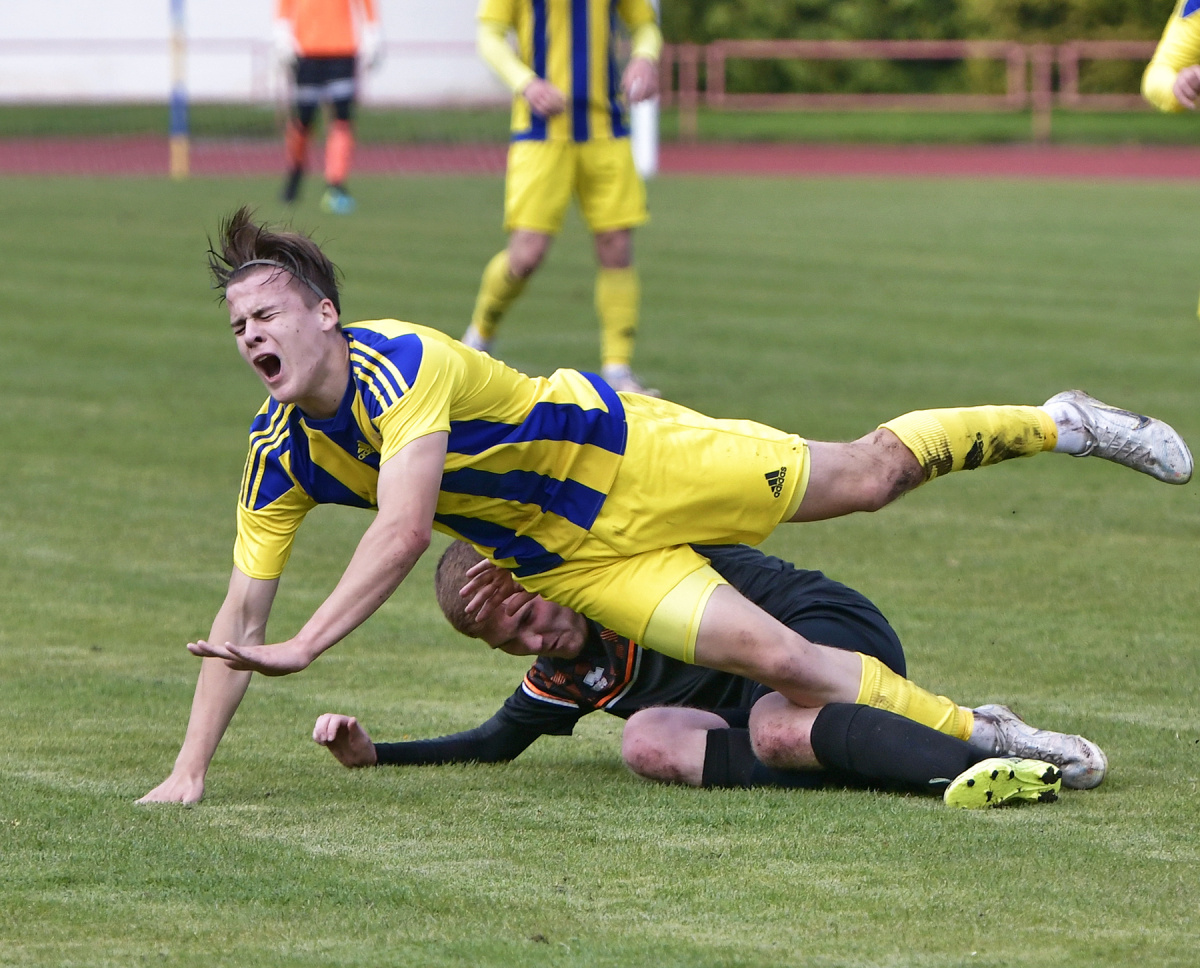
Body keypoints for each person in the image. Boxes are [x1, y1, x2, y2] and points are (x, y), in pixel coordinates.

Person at [138, 209, 1190, 805]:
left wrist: (307, 645)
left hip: (633, 458)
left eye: (266, 312)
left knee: (867, 478)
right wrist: (189, 772)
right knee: (781, 659)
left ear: (326, 313)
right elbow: (237, 618)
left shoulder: (401, 360)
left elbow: (406, 527)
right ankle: (993, 733)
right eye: (237, 327)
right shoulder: (278, 456)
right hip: (576, 564)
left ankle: (1062, 421)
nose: (251, 335)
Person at [311, 541, 1097, 808]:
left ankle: (992, 754)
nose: (534, 637)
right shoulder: (567, 673)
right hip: (781, 703)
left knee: (775, 725)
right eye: (510, 641)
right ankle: (878, 751)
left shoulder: (620, 563)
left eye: (528, 612)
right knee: (646, 742)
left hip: (826, 633)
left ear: (542, 574)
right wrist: (376, 755)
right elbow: (493, 743)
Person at [461, 0, 662, 395]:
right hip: (540, 134)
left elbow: (644, 24)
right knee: (526, 255)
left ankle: (618, 370)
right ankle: (478, 337)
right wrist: (526, 82)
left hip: (606, 130)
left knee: (616, 246)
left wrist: (645, 57)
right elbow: (490, 35)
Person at [275, 0, 382, 214]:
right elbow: (284, 8)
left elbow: (367, 4)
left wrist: (373, 35)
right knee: (304, 120)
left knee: (342, 119)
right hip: (306, 51)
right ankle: (295, 174)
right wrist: (282, 37)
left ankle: (336, 184)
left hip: (342, 51)